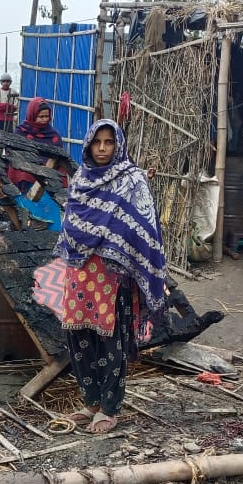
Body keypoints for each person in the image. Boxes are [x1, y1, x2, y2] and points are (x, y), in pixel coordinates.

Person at [54, 119, 168, 434]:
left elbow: (144, 228)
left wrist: (116, 248)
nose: (102, 148)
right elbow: (70, 224)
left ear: (118, 145)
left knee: (110, 341)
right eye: (97, 142)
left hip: (112, 275)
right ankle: (90, 402)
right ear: (88, 145)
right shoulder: (81, 179)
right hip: (79, 272)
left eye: (109, 142)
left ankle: (109, 407)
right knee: (78, 336)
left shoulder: (132, 180)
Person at [10, 98, 65, 193]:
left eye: (47, 116)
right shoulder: (21, 132)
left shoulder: (53, 135)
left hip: (48, 173)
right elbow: (12, 153)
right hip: (26, 170)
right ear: (32, 115)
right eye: (41, 116)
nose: (45, 119)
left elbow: (59, 157)